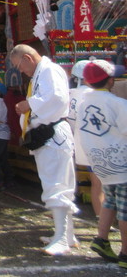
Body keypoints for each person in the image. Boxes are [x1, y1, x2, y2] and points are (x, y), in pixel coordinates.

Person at [12, 44, 77, 256]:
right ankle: (66, 234)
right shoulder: (42, 73)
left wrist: (29, 104)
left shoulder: (49, 70)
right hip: (47, 136)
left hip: (53, 133)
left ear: (28, 58)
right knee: (56, 183)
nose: (20, 71)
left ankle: (62, 238)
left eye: (19, 65)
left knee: (57, 184)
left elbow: (58, 99)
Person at [76, 60, 127, 267]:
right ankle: (125, 252)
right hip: (121, 161)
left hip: (99, 161)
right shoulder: (117, 103)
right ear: (111, 80)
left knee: (110, 200)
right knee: (124, 208)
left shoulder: (83, 102)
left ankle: (102, 238)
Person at [66, 59, 103, 217]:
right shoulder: (94, 95)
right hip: (98, 144)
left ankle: (102, 220)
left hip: (76, 143)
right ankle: (104, 221)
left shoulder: (69, 95)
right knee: (100, 185)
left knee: (92, 184)